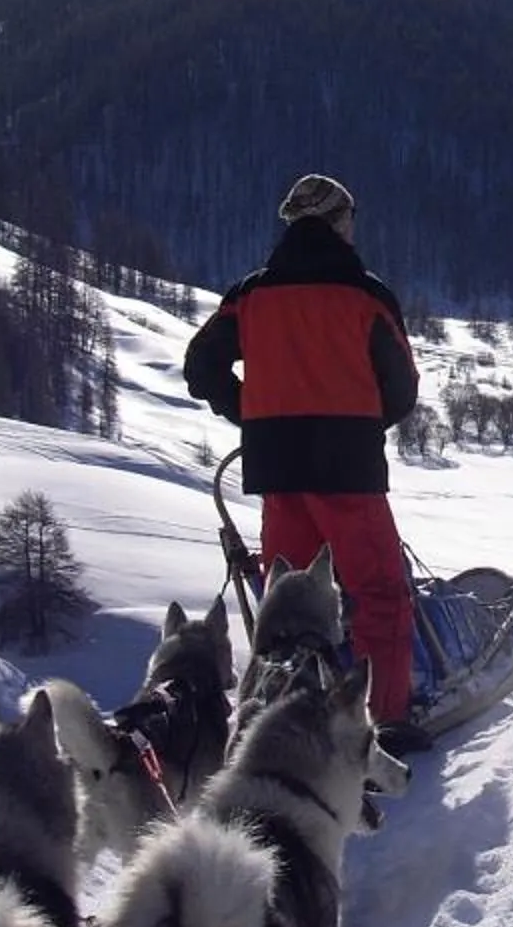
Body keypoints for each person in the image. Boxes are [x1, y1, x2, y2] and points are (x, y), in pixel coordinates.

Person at [182, 173, 430, 751]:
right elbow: (403, 387)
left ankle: (286, 720)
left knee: (287, 605)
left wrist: (253, 414)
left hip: (278, 469)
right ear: (341, 222)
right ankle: (384, 723)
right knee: (379, 594)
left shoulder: (250, 296)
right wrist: (362, 424)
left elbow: (201, 368)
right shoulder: (366, 295)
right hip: (348, 469)